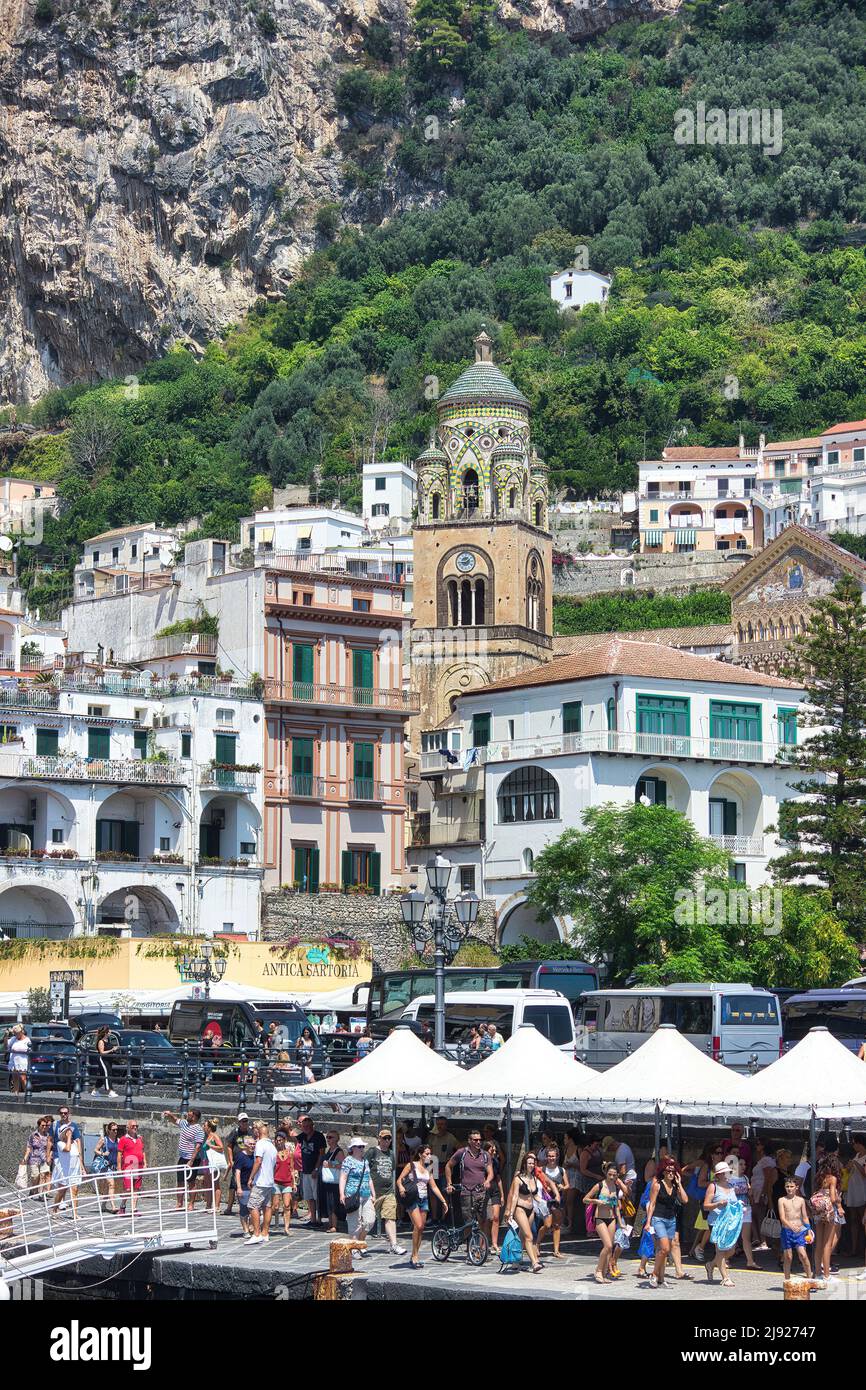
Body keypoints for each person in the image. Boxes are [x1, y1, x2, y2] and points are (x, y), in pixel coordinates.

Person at [398, 1142, 448, 1270]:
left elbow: (434, 1187)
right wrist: (401, 1188)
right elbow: (399, 1179)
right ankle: (414, 1255)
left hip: (424, 1199)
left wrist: (443, 1201)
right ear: (420, 1154)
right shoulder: (411, 1165)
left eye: (430, 1154)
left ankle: (415, 1254)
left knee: (421, 1228)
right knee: (418, 1225)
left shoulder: (428, 1169)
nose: (429, 1156)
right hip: (413, 1198)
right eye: (427, 1153)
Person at [645, 1157, 689, 1289]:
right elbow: (651, 1204)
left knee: (662, 1251)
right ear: (663, 1172)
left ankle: (661, 1279)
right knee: (665, 1248)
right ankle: (654, 1274)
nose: (671, 1173)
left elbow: (685, 1200)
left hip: (671, 1220)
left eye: (673, 1171)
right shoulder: (657, 1184)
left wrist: (679, 1183)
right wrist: (648, 1222)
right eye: (668, 1170)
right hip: (658, 1219)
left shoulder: (676, 1185)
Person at [366, 1128, 406, 1256]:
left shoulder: (391, 1154)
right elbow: (364, 1168)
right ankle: (359, 1243)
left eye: (389, 1138)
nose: (387, 1141)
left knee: (390, 1218)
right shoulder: (372, 1152)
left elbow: (392, 1169)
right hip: (373, 1192)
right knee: (368, 1220)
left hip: (388, 1191)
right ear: (379, 1138)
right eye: (384, 1138)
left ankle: (394, 1244)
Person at [585, 1162, 624, 1284]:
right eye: (610, 1174)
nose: (611, 1177)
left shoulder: (616, 1187)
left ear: (617, 1175)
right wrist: (596, 1201)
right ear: (606, 1173)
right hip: (600, 1218)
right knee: (607, 1246)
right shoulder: (600, 1185)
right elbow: (585, 1199)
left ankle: (605, 1273)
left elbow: (616, 1206)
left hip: (611, 1218)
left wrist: (620, 1221)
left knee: (610, 1248)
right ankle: (598, 1270)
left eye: (614, 1175)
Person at [446, 1128, 493, 1228]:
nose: (478, 1142)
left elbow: (490, 1172)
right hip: (467, 1192)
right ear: (469, 1141)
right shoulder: (462, 1153)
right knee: (468, 1221)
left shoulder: (485, 1155)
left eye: (480, 1140)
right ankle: (468, 1242)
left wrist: (488, 1181)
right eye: (475, 1140)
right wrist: (449, 1183)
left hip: (481, 1191)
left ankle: (482, 1242)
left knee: (486, 1218)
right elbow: (448, 1166)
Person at [506, 1152, 544, 1274]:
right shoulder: (518, 1178)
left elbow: (535, 1196)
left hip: (531, 1210)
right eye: (529, 1163)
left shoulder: (534, 1178)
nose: (531, 1165)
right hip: (520, 1209)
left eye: (533, 1163)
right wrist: (510, 1213)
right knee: (529, 1236)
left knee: (522, 1237)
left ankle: (515, 1262)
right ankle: (535, 1263)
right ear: (524, 1164)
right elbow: (515, 1196)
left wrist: (546, 1203)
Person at [703, 1160, 739, 1287]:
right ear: (717, 1175)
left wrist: (740, 1206)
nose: (725, 1175)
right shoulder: (713, 1186)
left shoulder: (731, 1186)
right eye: (723, 1173)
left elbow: (733, 1203)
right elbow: (706, 1205)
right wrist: (718, 1204)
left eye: (727, 1172)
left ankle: (711, 1265)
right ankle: (725, 1277)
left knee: (731, 1250)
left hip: (730, 1223)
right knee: (720, 1250)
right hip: (716, 1222)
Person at [811, 1153, 844, 1283]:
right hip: (829, 1212)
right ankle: (826, 1275)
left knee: (818, 1243)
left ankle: (818, 1273)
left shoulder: (819, 1177)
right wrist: (839, 1200)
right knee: (827, 1244)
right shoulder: (832, 1178)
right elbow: (832, 1198)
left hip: (818, 1212)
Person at [340, 1138, 377, 1255]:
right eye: (359, 1146)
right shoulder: (348, 1161)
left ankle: (360, 1242)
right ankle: (354, 1248)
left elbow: (369, 1177)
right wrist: (342, 1194)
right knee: (355, 1224)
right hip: (352, 1195)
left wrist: (373, 1193)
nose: (362, 1149)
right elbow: (343, 1178)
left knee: (370, 1220)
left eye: (362, 1146)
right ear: (353, 1149)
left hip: (366, 1195)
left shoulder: (365, 1161)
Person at [163, 1108, 205, 1210]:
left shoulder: (198, 1129)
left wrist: (191, 1161)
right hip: (182, 1157)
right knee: (180, 1181)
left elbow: (198, 1146)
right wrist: (169, 1114)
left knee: (191, 1182)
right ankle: (179, 1203)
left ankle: (191, 1203)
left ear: (195, 1117)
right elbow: (176, 1120)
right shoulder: (185, 1123)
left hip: (192, 1159)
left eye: (190, 1115)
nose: (187, 1116)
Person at [246, 1121, 277, 1245]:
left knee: (252, 1206)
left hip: (260, 1181)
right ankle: (265, 1233)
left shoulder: (260, 1144)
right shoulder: (272, 1146)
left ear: (258, 1132)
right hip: (269, 1181)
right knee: (267, 1207)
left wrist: (251, 1177)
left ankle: (257, 1233)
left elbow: (258, 1161)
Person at [778, 1175, 814, 1280]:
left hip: (800, 1231)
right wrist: (791, 1226)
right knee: (788, 1257)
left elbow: (805, 1217)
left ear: (796, 1187)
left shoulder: (801, 1200)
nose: (789, 1188)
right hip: (787, 1231)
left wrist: (808, 1230)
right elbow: (782, 1218)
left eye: (791, 1186)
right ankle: (787, 1280)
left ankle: (809, 1278)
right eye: (787, 1186)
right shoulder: (782, 1200)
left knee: (803, 1255)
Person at [537, 1144, 568, 1259]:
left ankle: (556, 1250)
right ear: (546, 1157)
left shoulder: (561, 1170)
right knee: (547, 1224)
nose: (551, 1158)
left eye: (553, 1156)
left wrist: (562, 1187)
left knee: (557, 1225)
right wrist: (546, 1188)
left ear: (557, 1157)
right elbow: (538, 1183)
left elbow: (567, 1185)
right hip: (545, 1201)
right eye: (549, 1156)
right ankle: (538, 1243)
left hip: (557, 1200)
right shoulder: (542, 1170)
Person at [296, 1115, 326, 1225]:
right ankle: (312, 1218)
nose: (306, 1128)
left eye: (308, 1126)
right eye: (304, 1126)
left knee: (316, 1195)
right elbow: (292, 1138)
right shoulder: (302, 1136)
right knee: (309, 1196)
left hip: (315, 1170)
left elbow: (321, 1153)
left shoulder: (319, 1136)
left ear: (312, 1126)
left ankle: (319, 1219)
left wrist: (317, 1168)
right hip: (305, 1170)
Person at [51, 1121, 83, 1222]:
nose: (70, 1133)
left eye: (70, 1131)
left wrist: (82, 1168)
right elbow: (67, 1149)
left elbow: (78, 1156)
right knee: (61, 1192)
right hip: (64, 1171)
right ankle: (54, 1210)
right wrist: (69, 1138)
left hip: (74, 1170)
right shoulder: (60, 1144)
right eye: (67, 1131)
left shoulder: (74, 1143)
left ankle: (75, 1213)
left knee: (75, 1191)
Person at [429, 1112, 458, 1220]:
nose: (440, 1126)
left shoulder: (450, 1137)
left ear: (446, 1125)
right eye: (438, 1124)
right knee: (432, 1192)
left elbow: (459, 1148)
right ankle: (434, 1217)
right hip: (433, 1165)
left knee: (444, 1192)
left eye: (442, 1124)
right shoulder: (432, 1137)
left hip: (444, 1166)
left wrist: (451, 1159)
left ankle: (444, 1217)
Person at [731, 1154, 758, 1268]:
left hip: (746, 1208)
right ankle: (725, 1259)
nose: (743, 1166)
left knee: (746, 1237)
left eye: (744, 1164)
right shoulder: (729, 1179)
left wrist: (751, 1194)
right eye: (740, 1164)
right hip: (733, 1208)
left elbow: (749, 1193)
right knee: (732, 1236)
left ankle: (750, 1261)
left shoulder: (745, 1178)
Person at [223, 1113, 253, 1215]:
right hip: (237, 1161)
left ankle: (245, 1206)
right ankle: (229, 1207)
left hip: (248, 1160)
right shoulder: (235, 1132)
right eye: (243, 1121)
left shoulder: (250, 1132)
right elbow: (229, 1145)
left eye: (246, 1121)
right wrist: (230, 1160)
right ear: (239, 1122)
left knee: (247, 1183)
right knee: (234, 1184)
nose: (245, 1123)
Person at [317, 1130, 345, 1233]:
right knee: (329, 1203)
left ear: (337, 1139)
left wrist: (331, 1165)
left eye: (331, 1137)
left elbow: (344, 1165)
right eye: (327, 1137)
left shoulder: (339, 1151)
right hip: (328, 1181)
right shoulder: (330, 1150)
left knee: (333, 1204)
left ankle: (334, 1225)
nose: (328, 1139)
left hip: (335, 1182)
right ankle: (330, 1223)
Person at [116, 1119, 145, 1216]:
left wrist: (145, 1163)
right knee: (128, 1188)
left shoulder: (140, 1139)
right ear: (127, 1128)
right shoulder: (123, 1139)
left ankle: (134, 1209)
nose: (135, 1127)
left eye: (136, 1126)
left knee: (136, 1188)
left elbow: (143, 1151)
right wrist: (119, 1168)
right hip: (128, 1166)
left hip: (138, 1166)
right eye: (133, 1126)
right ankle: (123, 1205)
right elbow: (119, 1154)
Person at [845, 1133, 866, 1263]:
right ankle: (854, 1248)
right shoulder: (856, 1156)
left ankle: (862, 1250)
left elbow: (864, 1173)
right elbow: (848, 1171)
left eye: (854, 1143)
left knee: (862, 1221)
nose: (853, 1145)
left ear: (859, 1143)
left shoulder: (862, 1158)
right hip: (852, 1191)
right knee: (853, 1220)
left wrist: (856, 1164)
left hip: (862, 1191)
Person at [92, 1121, 121, 1213]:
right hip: (105, 1166)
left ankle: (103, 1206)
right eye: (113, 1130)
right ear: (109, 1130)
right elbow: (95, 1150)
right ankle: (113, 1206)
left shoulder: (118, 1140)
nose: (115, 1131)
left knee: (106, 1187)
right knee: (111, 1184)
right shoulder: (104, 1140)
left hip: (113, 1166)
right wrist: (103, 1153)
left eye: (117, 1129)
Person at [272, 1131, 297, 1235]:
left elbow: (292, 1169)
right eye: (277, 1140)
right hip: (276, 1181)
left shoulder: (289, 1154)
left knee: (287, 1205)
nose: (278, 1142)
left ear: (284, 1141)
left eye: (280, 1140)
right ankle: (276, 1223)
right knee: (276, 1206)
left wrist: (294, 1182)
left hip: (287, 1182)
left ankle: (286, 1228)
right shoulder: (274, 1154)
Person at [23, 1115, 53, 1198]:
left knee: (44, 1175)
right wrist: (25, 1157)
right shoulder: (33, 1135)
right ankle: (33, 1190)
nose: (44, 1127)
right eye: (42, 1125)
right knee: (35, 1176)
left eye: (45, 1125)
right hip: (34, 1158)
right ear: (38, 1125)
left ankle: (41, 1194)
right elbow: (29, 1147)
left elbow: (51, 1148)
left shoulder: (48, 1136)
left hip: (44, 1158)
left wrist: (49, 1156)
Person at [484, 1139, 505, 1255]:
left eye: (495, 1151)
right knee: (488, 1218)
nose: (494, 1153)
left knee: (496, 1217)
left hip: (495, 1190)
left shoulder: (495, 1162)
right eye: (492, 1150)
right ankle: (485, 1242)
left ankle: (495, 1243)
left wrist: (502, 1194)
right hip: (485, 1191)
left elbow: (498, 1178)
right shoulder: (482, 1162)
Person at [201, 1118, 227, 1211]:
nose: (203, 1127)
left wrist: (211, 1145)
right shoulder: (206, 1136)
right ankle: (208, 1205)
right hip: (206, 1161)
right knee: (207, 1183)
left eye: (205, 1126)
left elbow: (221, 1147)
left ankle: (216, 1206)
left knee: (215, 1183)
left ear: (209, 1128)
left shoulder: (214, 1136)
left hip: (213, 1162)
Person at [234, 1134, 256, 1235]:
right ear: (246, 1145)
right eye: (250, 1144)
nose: (252, 1146)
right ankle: (245, 1229)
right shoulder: (240, 1156)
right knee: (244, 1209)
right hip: (243, 1186)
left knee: (254, 1208)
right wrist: (238, 1188)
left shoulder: (256, 1156)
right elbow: (237, 1172)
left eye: (253, 1144)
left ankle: (251, 1226)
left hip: (254, 1186)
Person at [91, 1025, 120, 1098]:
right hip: (103, 1060)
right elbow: (102, 1052)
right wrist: (112, 1050)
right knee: (107, 1074)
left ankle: (95, 1091)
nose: (110, 1032)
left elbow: (109, 1049)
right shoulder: (101, 1041)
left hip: (108, 1060)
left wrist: (114, 1049)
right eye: (109, 1031)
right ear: (105, 1032)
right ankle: (110, 1091)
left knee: (102, 1076)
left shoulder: (108, 1040)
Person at [6, 1023, 31, 1095]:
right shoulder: (14, 1039)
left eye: (16, 1033)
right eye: (14, 1033)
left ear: (21, 1032)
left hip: (22, 1061)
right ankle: (16, 1096)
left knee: (23, 1078)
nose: (15, 1035)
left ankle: (27, 1095)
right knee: (15, 1079)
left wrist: (16, 1050)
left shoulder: (27, 1040)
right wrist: (6, 1036)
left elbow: (28, 1049)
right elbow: (6, 1046)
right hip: (14, 1061)